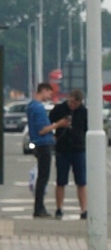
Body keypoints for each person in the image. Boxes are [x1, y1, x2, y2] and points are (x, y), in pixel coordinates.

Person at [48, 89, 88, 219]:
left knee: (81, 182)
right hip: (62, 149)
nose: (72, 105)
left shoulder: (83, 112)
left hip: (78, 149)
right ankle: (59, 208)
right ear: (68, 98)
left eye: (75, 103)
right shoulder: (59, 109)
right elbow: (49, 124)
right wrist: (54, 134)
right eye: (71, 102)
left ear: (80, 102)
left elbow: (87, 129)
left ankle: (84, 209)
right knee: (61, 181)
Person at [27, 83, 57, 218]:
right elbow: (42, 129)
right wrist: (58, 124)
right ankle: (39, 208)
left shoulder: (31, 106)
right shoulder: (38, 108)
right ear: (43, 91)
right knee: (43, 177)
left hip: (38, 144)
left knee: (42, 177)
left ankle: (39, 207)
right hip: (43, 144)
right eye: (49, 93)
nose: (50, 96)